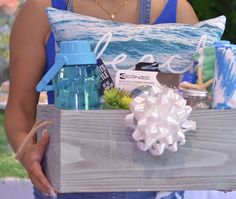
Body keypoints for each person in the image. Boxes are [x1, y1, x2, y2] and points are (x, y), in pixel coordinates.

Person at [4, 0, 198, 198]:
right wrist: (28, 153)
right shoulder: (40, 10)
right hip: (68, 186)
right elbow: (20, 107)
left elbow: (201, 106)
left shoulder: (179, 11)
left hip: (158, 187)